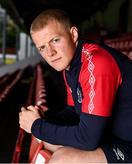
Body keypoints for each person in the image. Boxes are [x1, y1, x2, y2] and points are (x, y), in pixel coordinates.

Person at [19, 9, 132, 163]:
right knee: (48, 141)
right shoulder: (69, 66)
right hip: (109, 137)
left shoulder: (96, 64)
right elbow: (74, 112)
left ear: (73, 34)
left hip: (127, 144)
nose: (50, 53)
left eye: (55, 40)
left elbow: (88, 139)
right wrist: (45, 117)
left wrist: (36, 126)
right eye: (42, 48)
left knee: (62, 159)